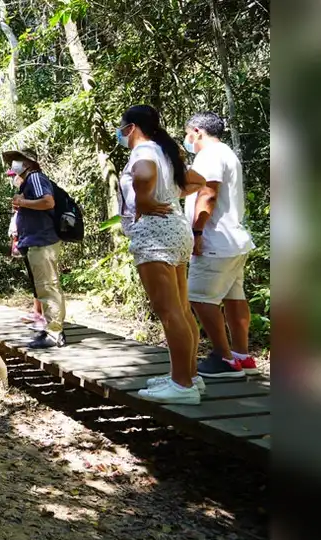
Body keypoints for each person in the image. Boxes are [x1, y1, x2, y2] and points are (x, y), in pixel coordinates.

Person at [115, 105, 205, 405]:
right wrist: (166, 197)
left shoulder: (142, 152)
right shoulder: (164, 150)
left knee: (169, 311)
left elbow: (142, 174)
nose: (120, 132)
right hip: (177, 230)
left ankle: (182, 386)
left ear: (132, 128)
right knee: (181, 308)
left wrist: (145, 202)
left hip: (156, 235)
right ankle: (189, 376)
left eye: (122, 127)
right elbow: (196, 180)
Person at [182, 112, 258, 378]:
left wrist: (197, 232)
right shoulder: (227, 153)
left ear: (198, 131)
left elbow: (208, 192)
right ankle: (241, 354)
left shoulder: (209, 156)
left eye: (188, 133)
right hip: (233, 240)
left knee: (198, 297)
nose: (187, 139)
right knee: (234, 297)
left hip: (215, 240)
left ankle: (224, 358)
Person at [2, 147, 66, 348]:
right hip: (35, 242)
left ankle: (55, 334)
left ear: (28, 163)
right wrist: (22, 203)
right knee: (43, 287)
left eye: (18, 160)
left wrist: (23, 202)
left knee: (48, 286)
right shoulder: (27, 182)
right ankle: (50, 328)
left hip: (43, 241)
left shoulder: (36, 178)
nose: (14, 164)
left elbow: (48, 202)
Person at [7, 169, 44, 326]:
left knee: (41, 280)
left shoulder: (34, 189)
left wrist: (21, 203)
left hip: (37, 241)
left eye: (15, 176)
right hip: (25, 240)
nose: (14, 179)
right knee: (34, 279)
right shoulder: (23, 193)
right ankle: (37, 313)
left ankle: (44, 316)